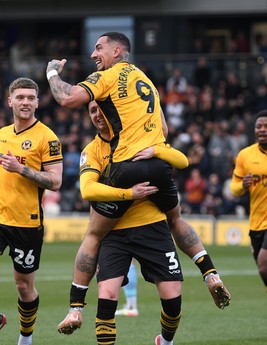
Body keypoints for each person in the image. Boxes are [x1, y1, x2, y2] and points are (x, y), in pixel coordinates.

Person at [47, 32, 230, 315]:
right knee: (176, 218)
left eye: (99, 48)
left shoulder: (107, 78)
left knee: (94, 234)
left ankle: (75, 307)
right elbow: (166, 132)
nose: (94, 54)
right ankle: (210, 272)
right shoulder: (147, 83)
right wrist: (155, 150)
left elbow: (68, 97)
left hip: (126, 167)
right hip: (157, 166)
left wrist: (51, 73)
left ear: (118, 51)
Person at [0, 77, 63, 345]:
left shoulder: (47, 138)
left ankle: (24, 343)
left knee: (23, 287)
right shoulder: (1, 135)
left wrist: (21, 168)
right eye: (20, 97)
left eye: (30, 97)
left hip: (26, 223)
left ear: (38, 102)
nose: (25, 102)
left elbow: (56, 181)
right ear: (9, 100)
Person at [230, 110, 267, 290]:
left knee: (264, 263)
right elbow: (234, 189)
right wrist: (243, 186)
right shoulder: (245, 155)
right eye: (259, 126)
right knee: (263, 270)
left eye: (266, 126)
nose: (262, 130)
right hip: (256, 223)